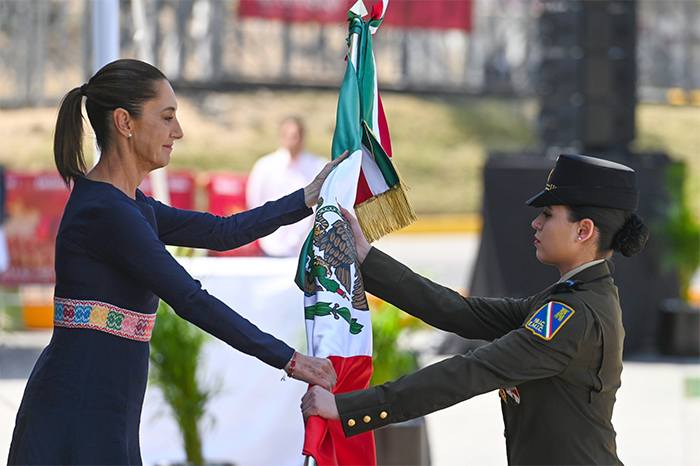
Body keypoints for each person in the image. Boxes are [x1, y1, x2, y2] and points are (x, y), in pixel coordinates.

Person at [8, 58, 346, 465]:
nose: (178, 131)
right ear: (125, 122)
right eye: (167, 117)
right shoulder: (106, 211)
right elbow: (191, 299)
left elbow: (223, 232)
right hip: (80, 407)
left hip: (101, 402)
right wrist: (292, 361)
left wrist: (307, 197)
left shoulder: (130, 205)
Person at [302, 153, 650, 465]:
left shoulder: (573, 314)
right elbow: (460, 311)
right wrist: (366, 258)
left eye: (548, 214)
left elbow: (473, 371)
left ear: (583, 230)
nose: (536, 223)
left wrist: (348, 408)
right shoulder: (577, 296)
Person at [246, 117, 327, 257]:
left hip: (307, 245)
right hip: (271, 244)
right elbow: (254, 202)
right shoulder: (265, 166)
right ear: (281, 137)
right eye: (289, 136)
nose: (293, 141)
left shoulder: (318, 166)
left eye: (296, 136)